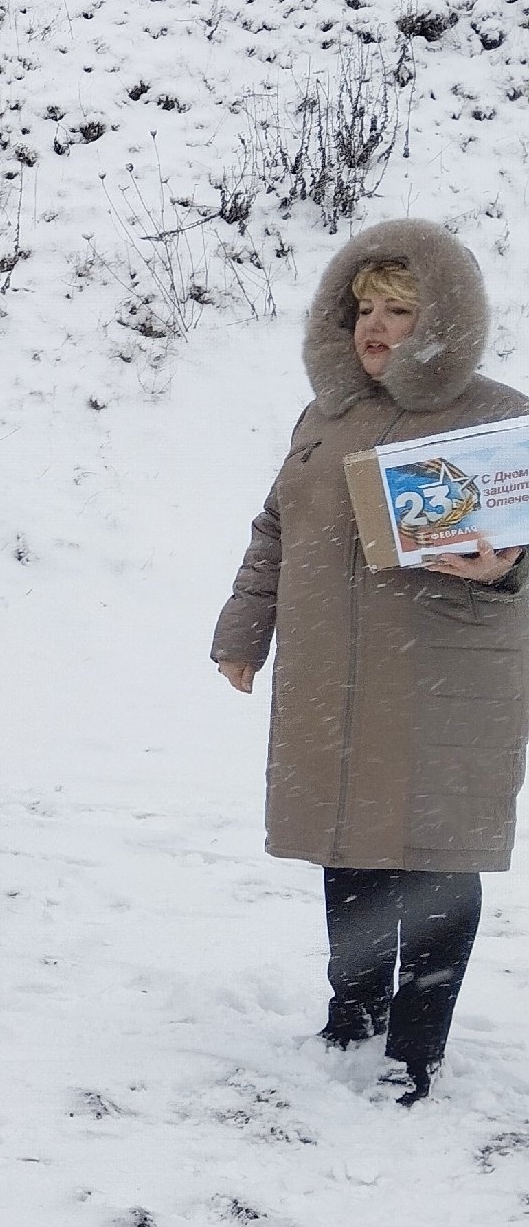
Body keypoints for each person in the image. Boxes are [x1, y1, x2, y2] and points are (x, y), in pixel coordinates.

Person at [213, 219, 529, 1106]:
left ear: (447, 319)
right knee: (347, 844)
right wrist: (245, 626)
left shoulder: (502, 415)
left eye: (400, 308)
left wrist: (510, 567)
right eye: (364, 308)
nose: (376, 327)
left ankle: (416, 1048)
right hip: (333, 673)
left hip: (448, 679)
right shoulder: (326, 415)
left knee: (431, 855)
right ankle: (352, 1013)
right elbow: (276, 528)